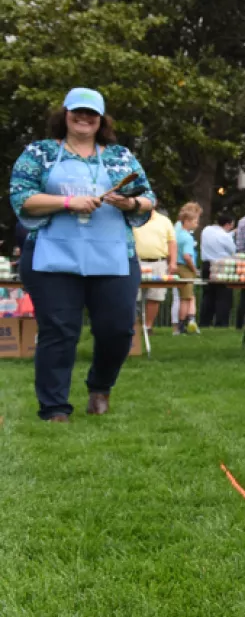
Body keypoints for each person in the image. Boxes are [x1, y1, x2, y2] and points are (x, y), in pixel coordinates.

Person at [8, 87, 158, 422]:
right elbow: (21, 197)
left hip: (114, 255)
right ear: (65, 113)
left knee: (118, 329)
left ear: (101, 119)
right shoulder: (41, 152)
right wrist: (66, 202)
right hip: (52, 255)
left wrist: (130, 203)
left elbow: (149, 199)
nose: (84, 118)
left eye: (92, 113)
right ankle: (54, 407)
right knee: (59, 330)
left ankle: (100, 387)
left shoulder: (121, 157)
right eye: (78, 111)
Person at [134, 200, 176, 329]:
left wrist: (173, 262)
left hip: (159, 262)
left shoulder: (164, 221)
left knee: (156, 296)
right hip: (137, 261)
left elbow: (171, 242)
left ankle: (148, 326)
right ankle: (133, 327)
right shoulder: (133, 218)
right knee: (133, 296)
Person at [199, 215, 237, 329]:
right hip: (221, 266)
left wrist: (231, 233)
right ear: (228, 224)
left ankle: (204, 322)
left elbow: (218, 238)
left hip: (206, 265)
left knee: (208, 295)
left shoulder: (206, 230)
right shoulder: (226, 237)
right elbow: (233, 250)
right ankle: (221, 323)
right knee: (223, 296)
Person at [174, 203, 201, 333]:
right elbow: (187, 256)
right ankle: (181, 325)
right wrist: (194, 269)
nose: (197, 224)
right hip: (186, 269)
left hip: (178, 267)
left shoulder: (177, 234)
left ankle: (187, 322)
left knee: (186, 296)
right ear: (187, 221)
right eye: (195, 221)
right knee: (187, 298)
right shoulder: (187, 238)